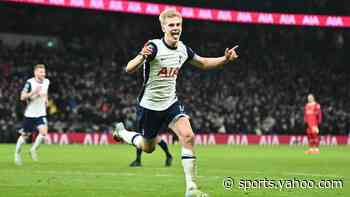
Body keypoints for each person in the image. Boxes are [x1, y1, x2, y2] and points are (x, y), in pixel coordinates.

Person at [113, 8, 238, 197]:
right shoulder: (154, 47)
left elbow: (203, 63)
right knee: (148, 148)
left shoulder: (182, 49)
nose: (175, 28)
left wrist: (225, 59)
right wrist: (141, 56)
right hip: (150, 107)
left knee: (188, 136)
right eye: (171, 25)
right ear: (163, 27)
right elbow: (128, 68)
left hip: (171, 103)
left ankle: (191, 189)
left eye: (178, 24)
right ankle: (122, 133)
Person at [14, 64, 50, 165]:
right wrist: (33, 93)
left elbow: (45, 92)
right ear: (35, 73)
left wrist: (46, 99)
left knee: (43, 132)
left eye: (43, 72)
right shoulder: (29, 83)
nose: (43, 73)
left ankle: (33, 150)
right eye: (40, 72)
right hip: (30, 114)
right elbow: (22, 97)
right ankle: (17, 153)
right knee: (25, 136)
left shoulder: (47, 81)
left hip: (41, 113)